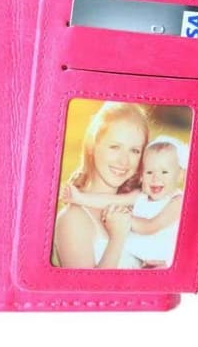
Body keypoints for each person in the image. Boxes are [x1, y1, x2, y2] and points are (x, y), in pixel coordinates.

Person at [62, 135, 188, 268]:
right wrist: (80, 198)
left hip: (160, 261)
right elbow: (112, 200)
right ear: (141, 176)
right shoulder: (141, 195)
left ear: (180, 175)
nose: (156, 178)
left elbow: (150, 226)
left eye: (165, 172)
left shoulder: (178, 201)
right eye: (149, 172)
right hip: (137, 259)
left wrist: (125, 218)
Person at [52, 101, 149, 269]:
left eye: (134, 150)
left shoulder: (137, 207)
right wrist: (117, 239)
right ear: (92, 145)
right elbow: (86, 287)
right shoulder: (73, 219)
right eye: (115, 147)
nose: (124, 161)